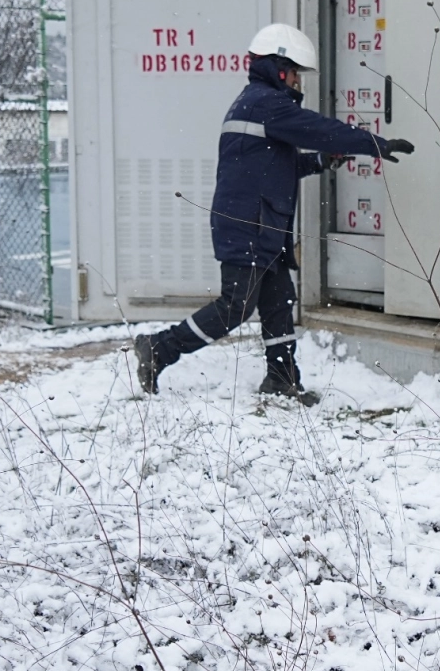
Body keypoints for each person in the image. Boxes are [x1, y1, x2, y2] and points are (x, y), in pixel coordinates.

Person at [134, 23, 414, 404]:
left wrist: (319, 162)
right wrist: (373, 143)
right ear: (278, 67)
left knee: (280, 300)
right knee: (236, 306)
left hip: (261, 225)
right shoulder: (266, 104)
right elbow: (319, 129)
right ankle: (159, 348)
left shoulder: (257, 104)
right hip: (247, 225)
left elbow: (276, 167)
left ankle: (281, 379)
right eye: (296, 72)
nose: (299, 81)